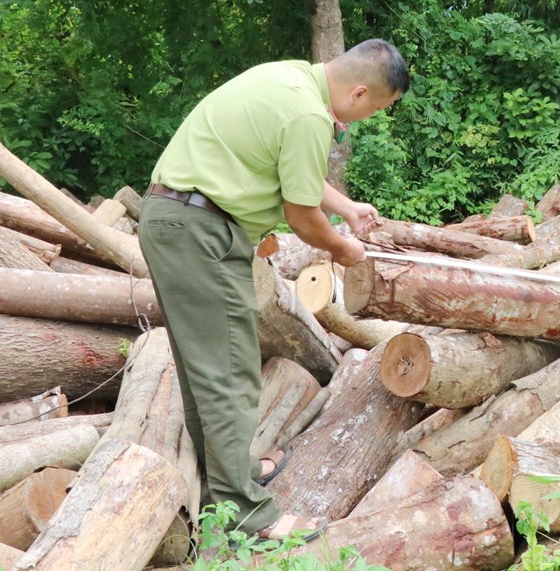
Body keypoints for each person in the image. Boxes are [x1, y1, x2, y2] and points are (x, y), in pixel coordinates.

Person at [138, 39, 409, 542]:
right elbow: (302, 217)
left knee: (209, 366)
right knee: (231, 372)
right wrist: (345, 250)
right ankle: (246, 514)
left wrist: (346, 208)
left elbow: (292, 172)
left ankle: (227, 478)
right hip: (199, 230)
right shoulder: (307, 114)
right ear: (358, 92)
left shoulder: (290, 78)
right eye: (377, 108)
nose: (370, 118)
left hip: (181, 219)